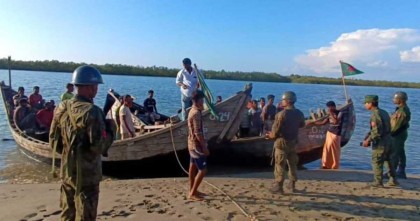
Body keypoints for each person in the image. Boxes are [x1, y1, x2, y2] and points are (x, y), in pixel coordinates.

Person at [49, 65, 114, 220]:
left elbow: (53, 141)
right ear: (91, 88)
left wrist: (70, 156)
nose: (96, 90)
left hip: (67, 173)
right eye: (96, 86)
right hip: (87, 177)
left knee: (67, 214)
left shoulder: (61, 108)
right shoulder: (93, 112)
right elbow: (99, 146)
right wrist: (111, 130)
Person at [266, 91, 305, 194]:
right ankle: (292, 185)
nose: (281, 101)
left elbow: (274, 133)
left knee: (280, 164)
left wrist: (269, 135)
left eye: (283, 100)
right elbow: (302, 125)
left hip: (282, 142)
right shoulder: (299, 113)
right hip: (293, 142)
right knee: (292, 164)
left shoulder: (281, 114)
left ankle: (279, 186)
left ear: (287, 101)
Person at [361, 95, 398, 187]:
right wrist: (369, 134)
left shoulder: (375, 114)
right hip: (389, 139)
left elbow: (377, 132)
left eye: (366, 103)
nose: (365, 105)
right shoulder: (384, 112)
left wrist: (368, 141)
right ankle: (393, 180)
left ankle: (378, 182)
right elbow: (385, 127)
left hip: (381, 142)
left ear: (371, 103)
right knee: (388, 160)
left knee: (377, 161)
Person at [187, 90, 209, 201]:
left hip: (191, 143)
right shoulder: (196, 113)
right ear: (198, 100)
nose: (203, 101)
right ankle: (192, 193)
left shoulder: (192, 110)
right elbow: (198, 132)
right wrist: (204, 147)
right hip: (196, 146)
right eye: (202, 100)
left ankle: (192, 190)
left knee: (192, 167)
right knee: (203, 170)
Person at [308, 101, 342, 169]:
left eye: (329, 107)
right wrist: (313, 123)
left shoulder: (340, 113)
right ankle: (326, 164)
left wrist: (331, 114)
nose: (328, 109)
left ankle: (334, 165)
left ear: (333, 106)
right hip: (329, 133)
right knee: (327, 149)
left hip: (336, 134)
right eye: (328, 107)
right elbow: (323, 122)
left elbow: (336, 122)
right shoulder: (330, 114)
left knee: (334, 150)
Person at [390, 91, 411, 179]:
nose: (393, 100)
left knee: (395, 153)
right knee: (400, 152)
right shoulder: (401, 109)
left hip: (398, 134)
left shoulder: (402, 111)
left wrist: (390, 134)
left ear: (400, 100)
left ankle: (393, 173)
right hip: (401, 134)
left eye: (395, 98)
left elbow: (397, 125)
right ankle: (401, 171)